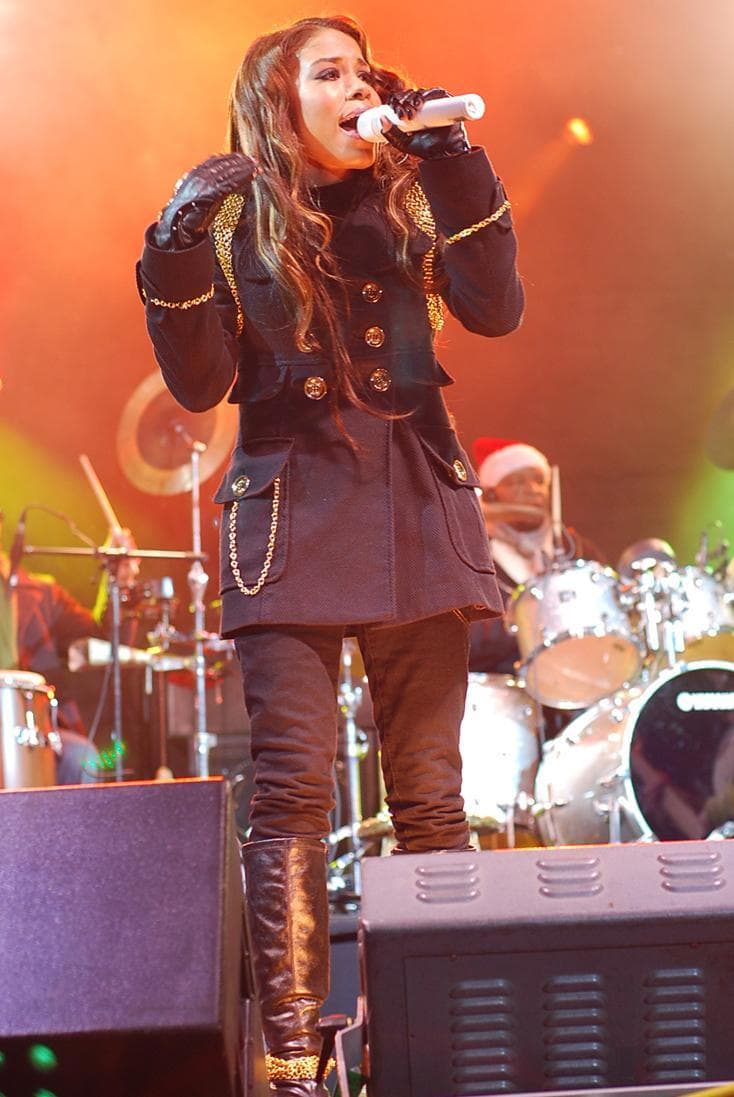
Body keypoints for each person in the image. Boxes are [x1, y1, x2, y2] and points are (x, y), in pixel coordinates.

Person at [137, 16, 523, 1094]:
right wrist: (174, 239)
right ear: (278, 103)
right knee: (293, 792)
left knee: (432, 796)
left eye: (363, 71)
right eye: (329, 73)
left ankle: (445, 1046)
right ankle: (295, 1064)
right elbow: (198, 385)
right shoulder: (229, 221)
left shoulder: (410, 193)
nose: (358, 88)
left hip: (414, 503)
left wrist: (452, 155)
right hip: (289, 520)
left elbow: (495, 308)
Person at [0, 519, 140, 783]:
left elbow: (104, 643)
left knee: (80, 759)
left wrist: (118, 582)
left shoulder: (41, 593)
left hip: (32, 728)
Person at [468, 437, 605, 677]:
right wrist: (523, 621)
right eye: (517, 482)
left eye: (538, 480)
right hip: (506, 684)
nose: (532, 489)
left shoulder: (574, 547)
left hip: (580, 676)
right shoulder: (474, 553)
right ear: (491, 495)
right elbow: (468, 640)